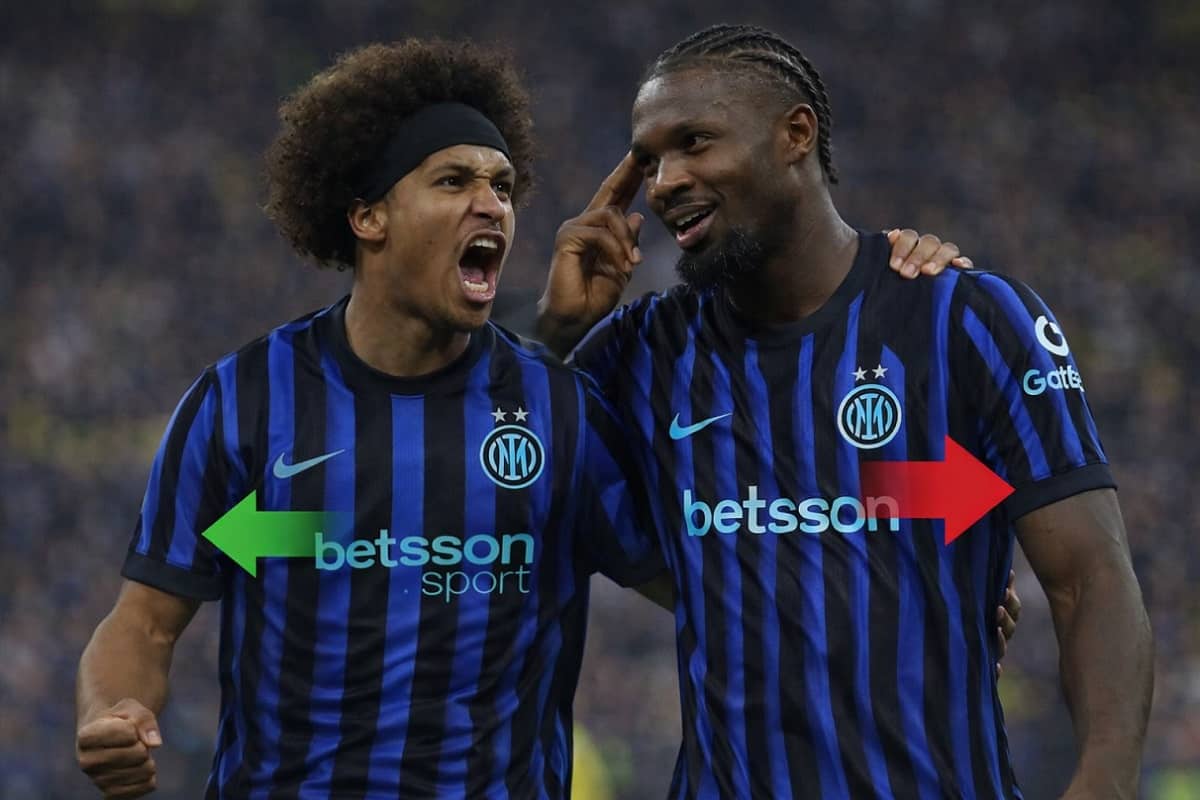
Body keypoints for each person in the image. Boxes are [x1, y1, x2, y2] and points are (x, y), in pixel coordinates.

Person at [72, 35, 1006, 800]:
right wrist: (112, 712)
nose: (493, 204)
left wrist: (928, 581)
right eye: (454, 181)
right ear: (368, 218)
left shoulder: (562, 414)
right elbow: (144, 624)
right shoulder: (243, 403)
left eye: (504, 185)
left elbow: (735, 574)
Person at [536, 23, 1153, 800]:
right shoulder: (643, 351)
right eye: (649, 160)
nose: (664, 182)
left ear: (796, 134)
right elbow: (489, 464)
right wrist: (554, 330)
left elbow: (1090, 578)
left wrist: (1104, 783)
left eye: (694, 143)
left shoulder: (967, 321)